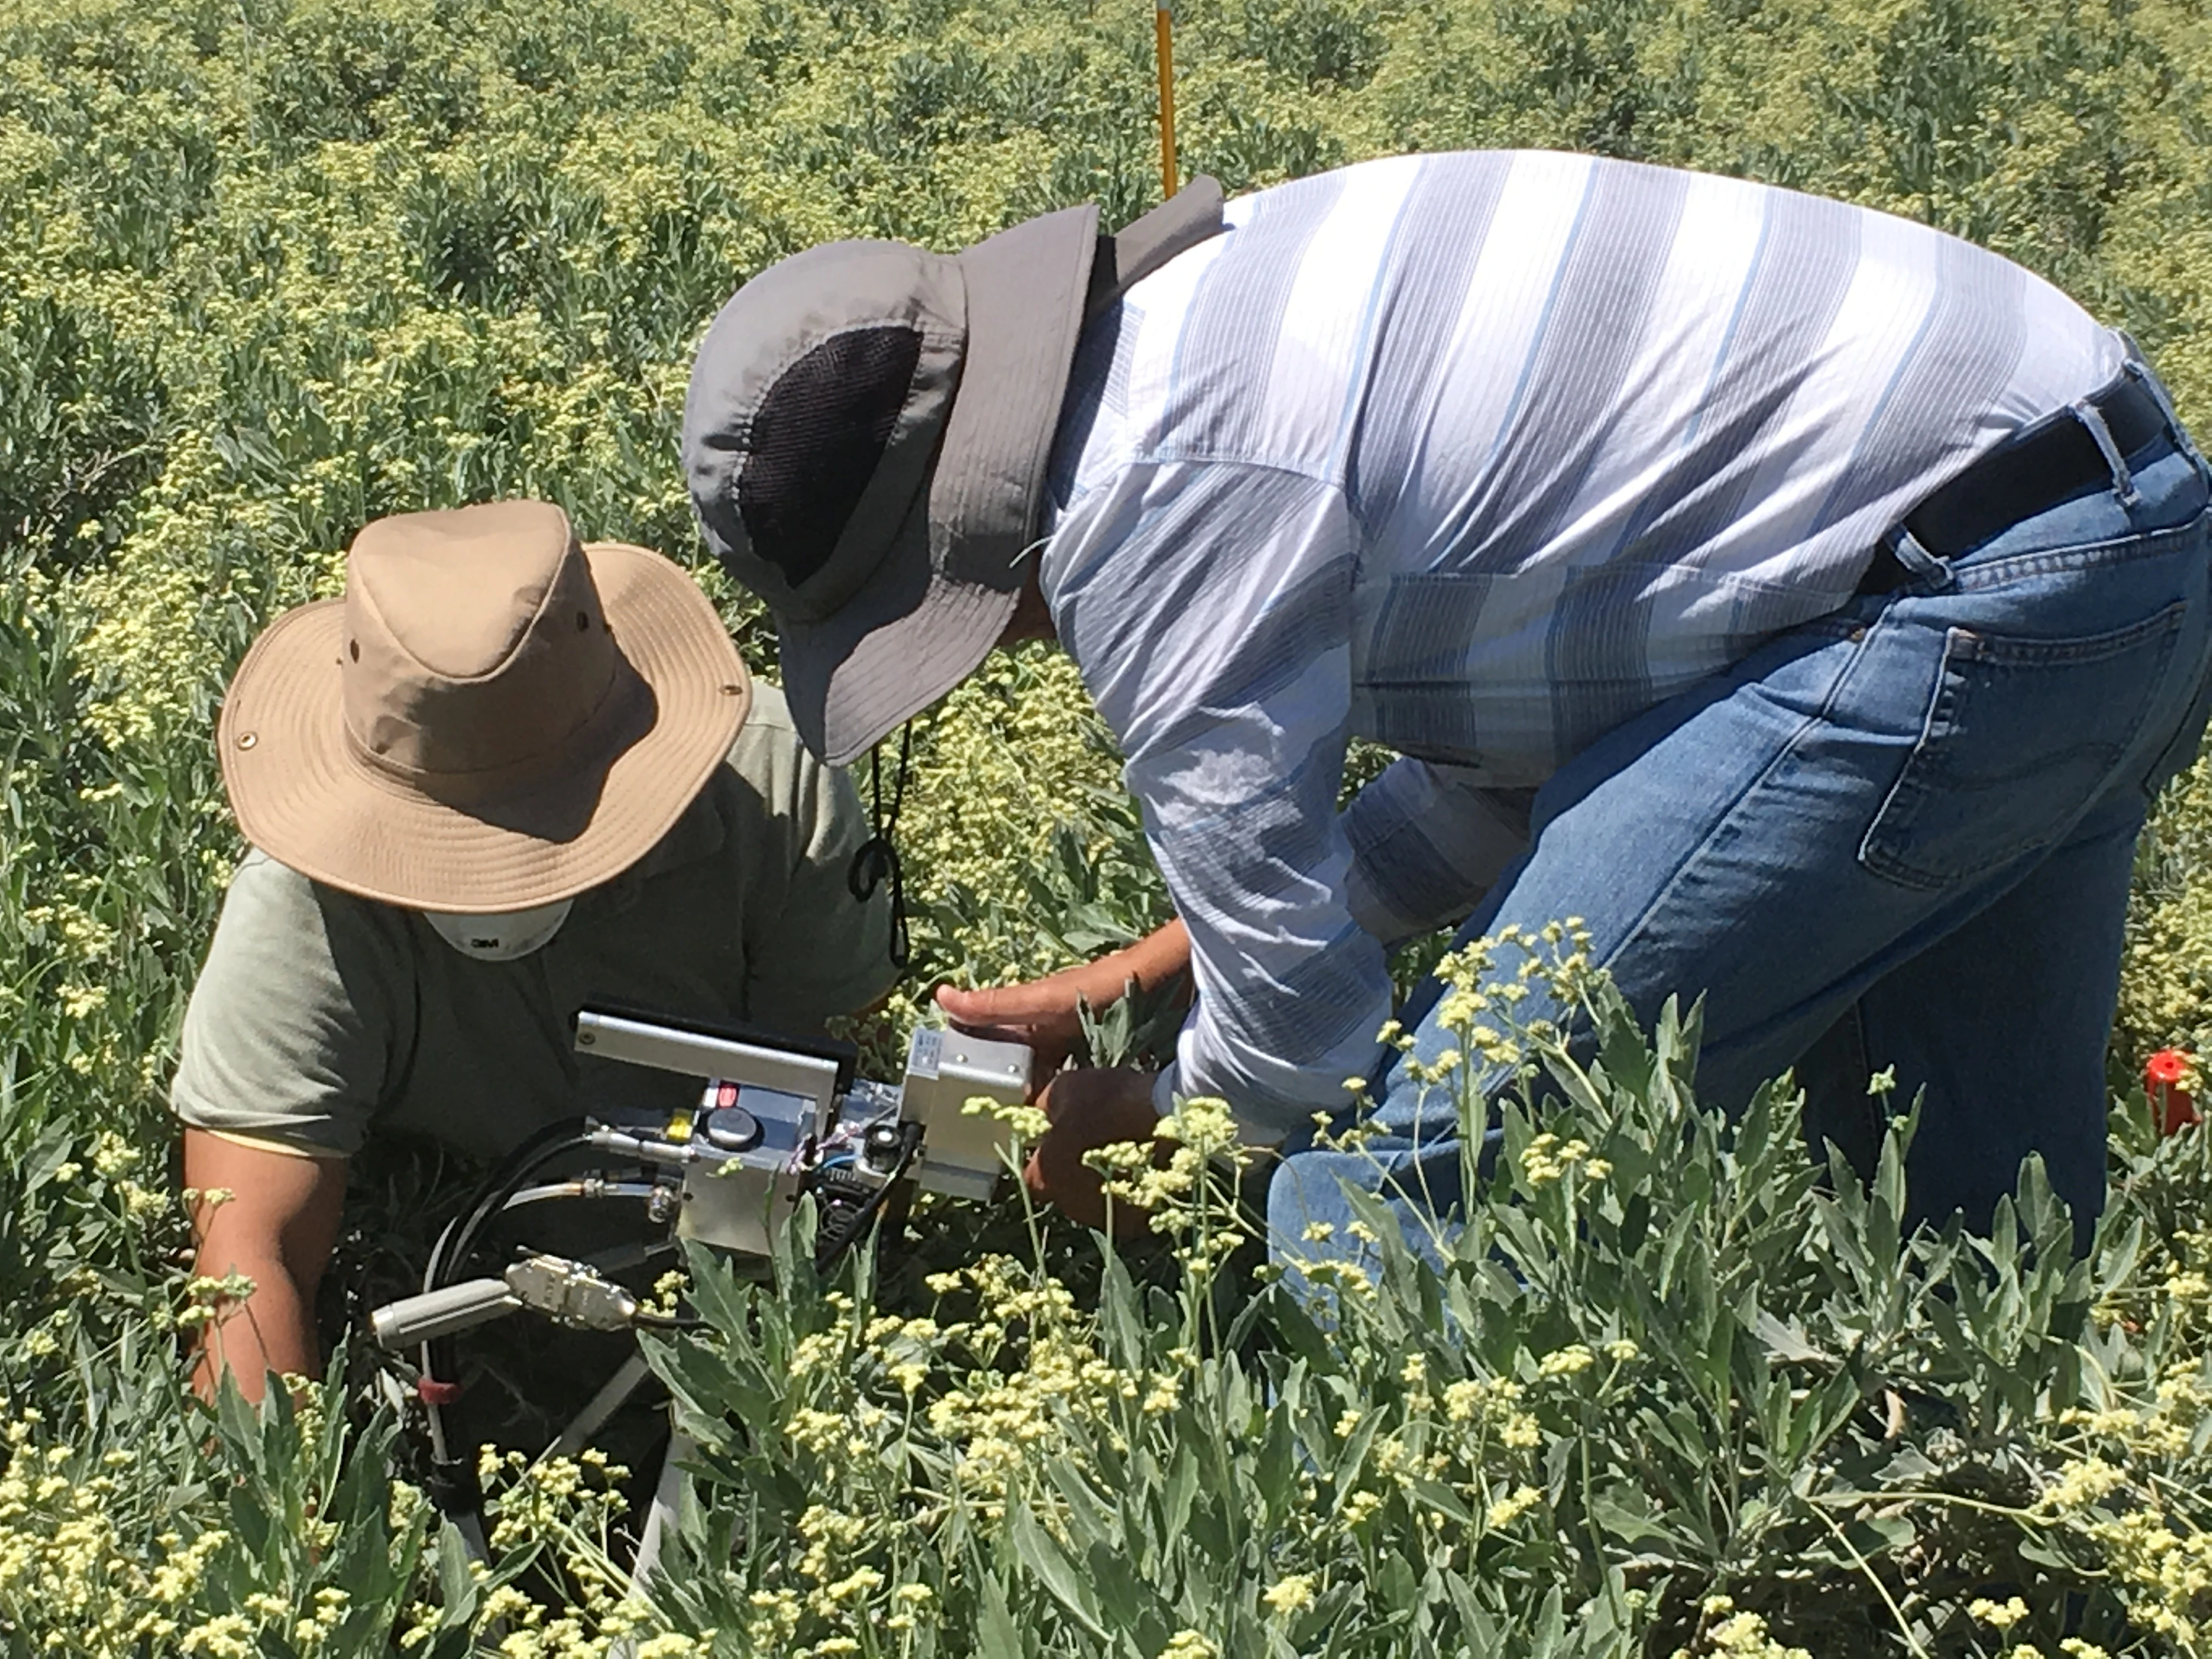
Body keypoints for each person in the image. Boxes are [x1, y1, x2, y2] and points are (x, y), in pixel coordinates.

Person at [679, 149, 2212, 1262]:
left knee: (1388, 1201)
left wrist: (1140, 1131)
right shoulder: (1185, 329)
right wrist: (1141, 981)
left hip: (1952, 598)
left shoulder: (1144, 496)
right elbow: (1509, 779)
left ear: (958, 517)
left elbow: (1301, 1045)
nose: (1001, 643)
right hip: (2121, 527)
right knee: (1964, 1214)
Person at [175, 500, 893, 1400]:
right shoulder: (306, 893)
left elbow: (833, 1095)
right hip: (448, 1272)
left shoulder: (773, 790)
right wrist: (283, 1489)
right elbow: (248, 1251)